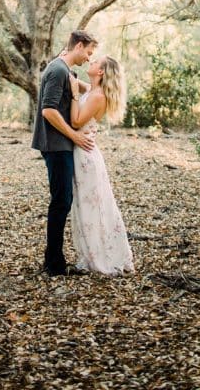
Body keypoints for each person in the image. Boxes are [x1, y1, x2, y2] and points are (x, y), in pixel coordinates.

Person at [31, 30, 97, 277]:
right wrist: (74, 135)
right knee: (61, 202)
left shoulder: (65, 69)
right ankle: (54, 264)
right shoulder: (58, 70)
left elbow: (87, 90)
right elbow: (48, 111)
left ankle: (54, 260)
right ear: (79, 46)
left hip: (61, 144)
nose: (89, 58)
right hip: (56, 145)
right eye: (89, 52)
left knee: (63, 201)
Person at [68, 55, 134, 275]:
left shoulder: (97, 96)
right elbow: (78, 83)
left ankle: (101, 258)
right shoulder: (93, 90)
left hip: (85, 154)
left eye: (96, 62)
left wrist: (74, 95)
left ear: (101, 72)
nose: (92, 61)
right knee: (86, 207)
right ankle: (92, 254)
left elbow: (77, 121)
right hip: (84, 152)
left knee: (92, 209)